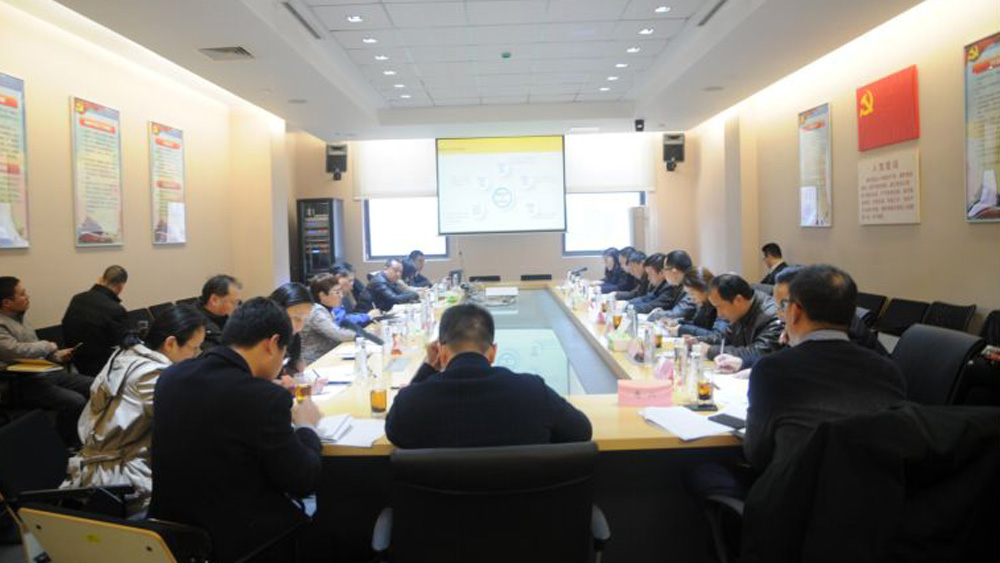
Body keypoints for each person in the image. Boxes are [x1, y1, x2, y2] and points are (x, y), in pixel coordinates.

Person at [150, 297, 322, 563]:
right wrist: (306, 426)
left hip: (171, 536)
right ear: (272, 343)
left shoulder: (171, 377)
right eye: (283, 352)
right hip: (238, 541)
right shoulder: (263, 399)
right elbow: (303, 480)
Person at [744, 265, 907, 472]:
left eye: (783, 306)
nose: (780, 315)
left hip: (797, 488)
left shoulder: (772, 370)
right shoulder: (889, 371)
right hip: (874, 489)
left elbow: (756, 455)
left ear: (795, 311)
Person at [386, 303, 592, 449]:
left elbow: (395, 432)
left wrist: (428, 369)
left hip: (440, 500)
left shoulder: (414, 401)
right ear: (493, 352)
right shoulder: (533, 391)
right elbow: (581, 432)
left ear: (441, 352)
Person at [64, 305, 206, 514]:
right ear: (170, 343)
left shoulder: (128, 354)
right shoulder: (152, 375)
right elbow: (187, 423)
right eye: (195, 348)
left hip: (109, 466)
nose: (197, 356)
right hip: (119, 480)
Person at [714, 266, 887, 373]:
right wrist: (744, 362)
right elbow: (780, 357)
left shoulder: (842, 331)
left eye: (783, 306)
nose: (779, 314)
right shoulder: (809, 325)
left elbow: (814, 371)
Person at [0, 276, 93, 446]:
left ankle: (81, 434)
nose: (27, 297)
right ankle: (65, 444)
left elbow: (36, 353)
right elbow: (14, 351)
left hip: (45, 371)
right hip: (22, 381)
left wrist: (57, 356)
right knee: (75, 401)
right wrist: (47, 346)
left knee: (95, 385)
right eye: (22, 294)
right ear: (7, 302)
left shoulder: (21, 318)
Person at [695, 274, 783, 362]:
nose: (719, 315)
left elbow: (760, 353)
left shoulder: (773, 316)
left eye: (719, 307)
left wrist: (711, 351)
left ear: (738, 300)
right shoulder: (741, 311)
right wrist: (696, 341)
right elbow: (723, 337)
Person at [61, 265, 130, 377]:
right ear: (121, 286)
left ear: (101, 279)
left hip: (76, 364)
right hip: (104, 369)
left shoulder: (77, 299)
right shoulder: (115, 309)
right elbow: (125, 345)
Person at [301, 274, 357, 364]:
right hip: (314, 362)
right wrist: (362, 335)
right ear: (322, 295)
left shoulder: (327, 308)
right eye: (337, 292)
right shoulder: (316, 311)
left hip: (326, 356)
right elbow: (338, 334)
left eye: (340, 291)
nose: (341, 295)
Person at [268, 283, 315, 377]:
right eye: (295, 318)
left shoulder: (294, 337)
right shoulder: (262, 340)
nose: (300, 327)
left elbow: (294, 369)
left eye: (305, 319)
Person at [670, 267, 728, 339]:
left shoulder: (720, 303)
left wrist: (683, 329)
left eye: (692, 293)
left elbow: (717, 336)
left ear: (704, 289)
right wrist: (679, 322)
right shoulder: (704, 303)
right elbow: (698, 325)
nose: (691, 299)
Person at [196, 275, 242, 352]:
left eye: (238, 303)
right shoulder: (196, 326)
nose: (237, 307)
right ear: (214, 300)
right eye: (233, 302)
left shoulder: (222, 315)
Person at [646, 250, 697, 320]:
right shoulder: (679, 286)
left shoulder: (692, 287)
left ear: (674, 271)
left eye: (665, 269)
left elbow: (676, 314)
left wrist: (657, 314)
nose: (663, 273)